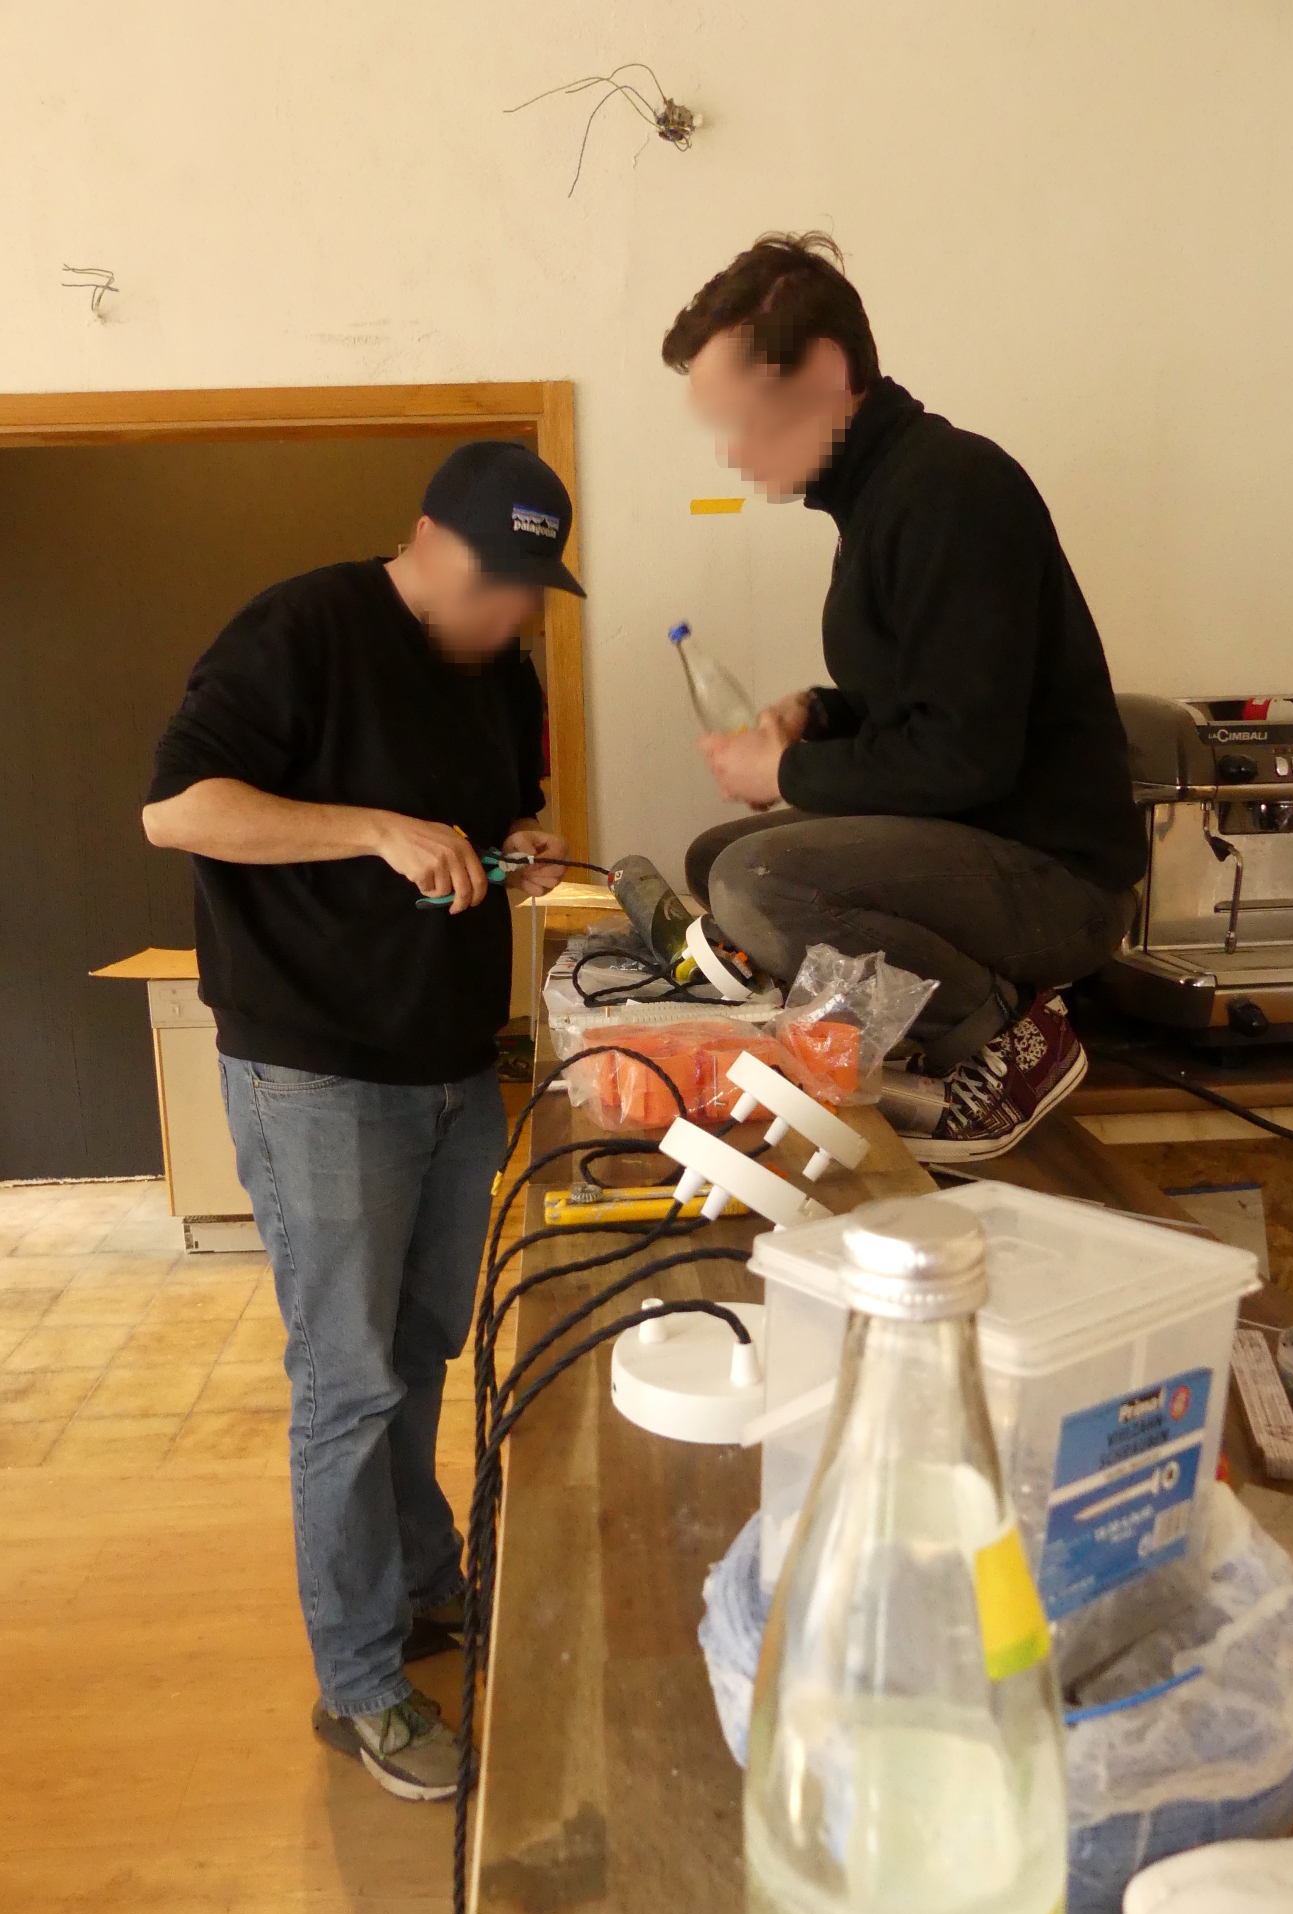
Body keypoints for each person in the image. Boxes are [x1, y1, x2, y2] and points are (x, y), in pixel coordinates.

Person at [141, 441, 582, 1800]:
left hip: (453, 1064)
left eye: (535, 591)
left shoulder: (502, 669)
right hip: (316, 1071)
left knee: (421, 1346)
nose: (518, 614)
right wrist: (376, 829)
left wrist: (514, 853)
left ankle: (424, 1583)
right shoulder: (299, 630)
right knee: (347, 1378)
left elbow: (503, 818)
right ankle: (361, 1684)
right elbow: (179, 811)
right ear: (429, 543)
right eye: (499, 585)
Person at [662, 232, 1147, 1162]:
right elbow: (927, 699)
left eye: (747, 420)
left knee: (758, 880)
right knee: (717, 856)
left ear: (825, 372)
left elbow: (965, 757)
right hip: (980, 849)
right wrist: (822, 714)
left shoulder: (951, 488)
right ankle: (900, 1037)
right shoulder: (883, 498)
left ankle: (1007, 1038)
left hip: (1059, 880)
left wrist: (788, 769)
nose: (732, 453)